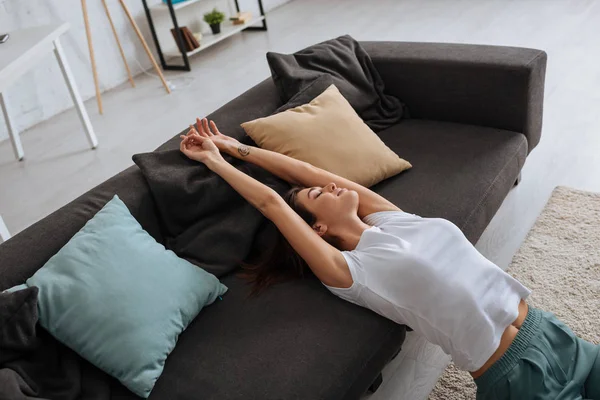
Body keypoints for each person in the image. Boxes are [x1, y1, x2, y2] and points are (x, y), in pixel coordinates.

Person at [180, 118, 600, 400]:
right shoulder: (349, 271)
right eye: (317, 196)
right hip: (515, 377)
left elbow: (305, 171)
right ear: (319, 231)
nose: (327, 185)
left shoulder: (392, 221)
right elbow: (273, 203)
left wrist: (237, 147)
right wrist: (215, 161)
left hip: (551, 333)